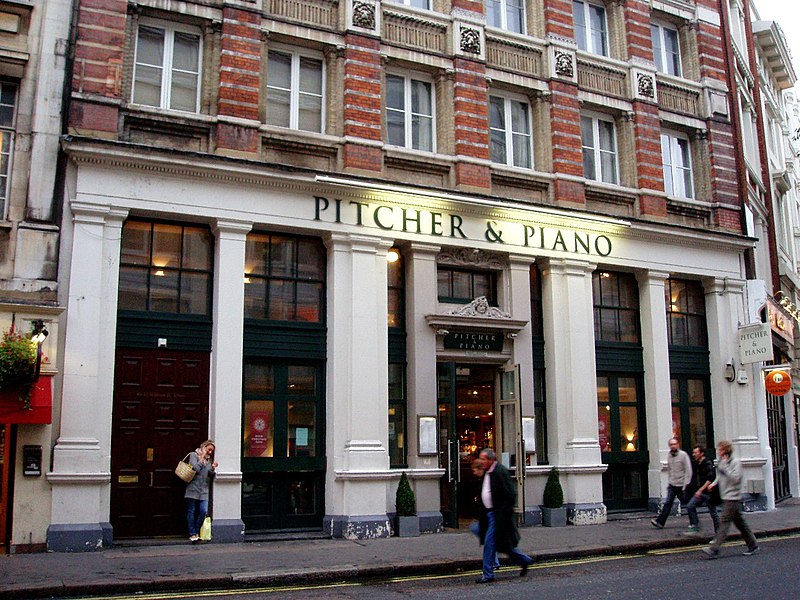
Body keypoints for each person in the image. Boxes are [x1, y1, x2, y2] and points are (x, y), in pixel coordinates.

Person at [475, 448, 533, 583]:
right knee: (495, 540)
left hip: (497, 515)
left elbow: (510, 494)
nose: (481, 462)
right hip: (488, 515)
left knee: (489, 543)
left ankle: (488, 574)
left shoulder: (500, 471)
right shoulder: (487, 472)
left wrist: (502, 514)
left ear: (490, 460)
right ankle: (525, 560)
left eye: (483, 459)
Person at [702, 440, 759, 558]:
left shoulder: (735, 463)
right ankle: (753, 544)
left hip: (733, 496)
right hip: (725, 495)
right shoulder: (722, 462)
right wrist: (713, 484)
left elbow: (735, 479)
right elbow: (719, 475)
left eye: (720, 449)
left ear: (726, 450)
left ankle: (714, 549)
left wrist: (726, 468)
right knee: (740, 523)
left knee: (724, 521)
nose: (718, 451)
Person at [651, 437, 692, 529]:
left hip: (682, 485)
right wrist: (669, 481)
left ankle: (694, 522)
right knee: (668, 502)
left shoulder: (683, 455)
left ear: (678, 445)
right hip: (673, 484)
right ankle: (660, 522)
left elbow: (688, 471)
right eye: (671, 444)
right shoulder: (669, 455)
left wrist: (686, 484)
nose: (673, 446)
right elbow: (670, 469)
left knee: (689, 504)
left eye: (674, 444)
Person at [469, 459, 500, 571]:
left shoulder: (491, 477)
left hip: (492, 514)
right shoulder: (483, 478)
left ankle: (523, 559)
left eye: (475, 470)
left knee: (489, 539)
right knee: (489, 539)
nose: (474, 473)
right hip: (487, 514)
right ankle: (495, 562)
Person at [185, 440, 217, 543]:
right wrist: (202, 458)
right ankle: (192, 533)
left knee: (203, 511)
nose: (210, 452)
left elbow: (210, 477)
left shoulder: (210, 460)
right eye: (209, 449)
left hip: (204, 489)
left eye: (212, 451)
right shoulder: (194, 455)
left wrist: (212, 469)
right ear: (204, 447)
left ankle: (197, 530)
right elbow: (195, 469)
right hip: (193, 488)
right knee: (191, 510)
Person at [683, 445, 720, 535]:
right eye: (693, 452)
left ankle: (718, 534)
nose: (693, 454)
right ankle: (695, 525)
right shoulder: (696, 463)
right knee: (690, 506)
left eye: (696, 452)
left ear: (702, 453)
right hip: (700, 492)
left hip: (709, 493)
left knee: (713, 513)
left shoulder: (707, 463)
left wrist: (700, 490)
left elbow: (710, 478)